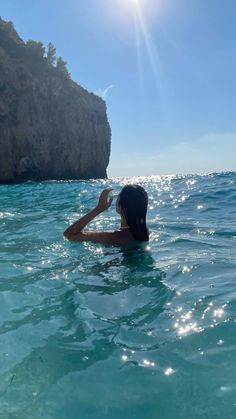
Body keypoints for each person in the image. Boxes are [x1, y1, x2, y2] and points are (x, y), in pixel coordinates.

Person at [63, 184, 149, 247]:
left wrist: (99, 208)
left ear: (120, 204)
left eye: (117, 198)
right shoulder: (145, 233)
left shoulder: (114, 237)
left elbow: (69, 235)